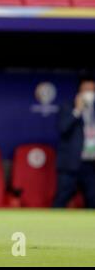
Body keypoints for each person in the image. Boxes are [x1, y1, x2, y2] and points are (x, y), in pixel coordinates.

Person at [54, 76, 95, 208]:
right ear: (79, 91)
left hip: (91, 164)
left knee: (92, 199)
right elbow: (63, 128)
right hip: (70, 164)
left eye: (92, 89)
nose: (89, 93)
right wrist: (77, 110)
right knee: (61, 199)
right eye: (86, 89)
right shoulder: (68, 107)